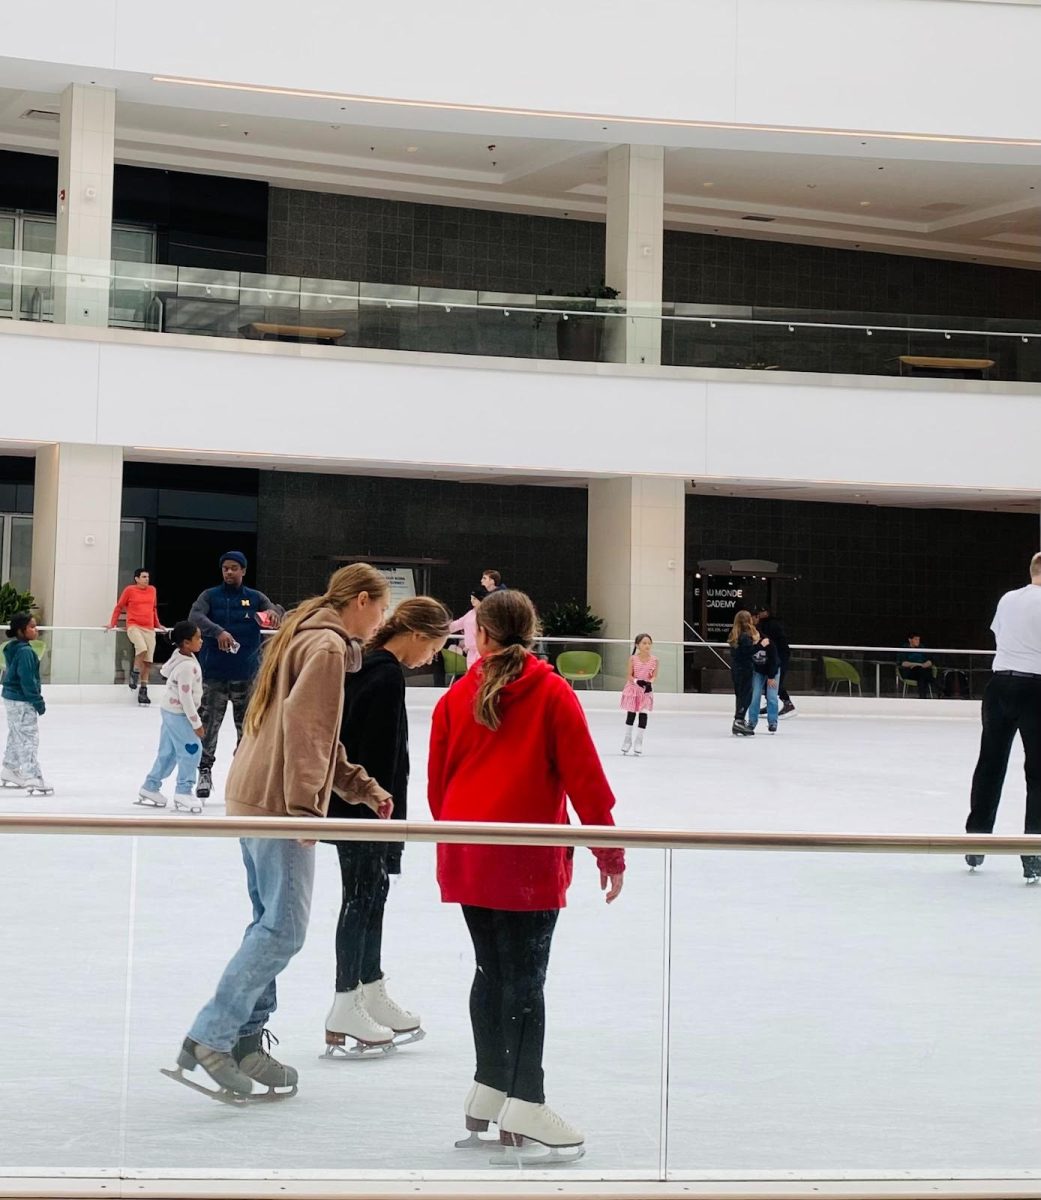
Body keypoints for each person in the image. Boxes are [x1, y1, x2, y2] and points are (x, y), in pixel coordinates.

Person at [168, 564, 394, 1103]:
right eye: (381, 610)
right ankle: (211, 1036)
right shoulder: (329, 646)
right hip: (277, 802)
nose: (380, 622)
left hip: (252, 793)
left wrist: (361, 787)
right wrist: (303, 812)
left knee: (266, 924)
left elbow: (306, 728)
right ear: (361, 601)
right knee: (283, 930)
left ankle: (244, 1042)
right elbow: (309, 730)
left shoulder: (301, 634)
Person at [428, 589, 625, 1157]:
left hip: (471, 854)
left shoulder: (455, 698)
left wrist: (464, 840)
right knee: (525, 981)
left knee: (491, 971)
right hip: (527, 859)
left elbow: (439, 791)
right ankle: (527, 1102)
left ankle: (490, 1089)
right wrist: (609, 854)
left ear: (482, 637)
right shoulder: (551, 693)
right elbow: (586, 780)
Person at [325, 597, 451, 1056]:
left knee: (371, 894)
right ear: (418, 635)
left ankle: (369, 988)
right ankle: (345, 1001)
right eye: (434, 647)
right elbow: (375, 751)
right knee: (361, 897)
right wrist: (381, 808)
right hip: (365, 810)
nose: (432, 658)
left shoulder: (373, 668)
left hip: (367, 807)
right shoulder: (384, 672)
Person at [964, 554, 1041, 883]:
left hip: (999, 686)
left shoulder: (1009, 598)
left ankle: (976, 839)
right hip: (1036, 687)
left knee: (990, 764)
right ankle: (1033, 852)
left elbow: (1000, 635)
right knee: (1038, 774)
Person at [188, 551, 281, 800]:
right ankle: (204, 771)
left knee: (249, 729)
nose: (229, 572)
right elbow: (195, 616)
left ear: (243, 571)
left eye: (234, 568)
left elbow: (275, 611)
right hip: (214, 676)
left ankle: (245, 777)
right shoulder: (210, 596)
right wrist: (217, 631)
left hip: (247, 676)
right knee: (208, 727)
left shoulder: (255, 598)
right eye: (225, 568)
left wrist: (273, 613)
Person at [136, 620, 205, 813]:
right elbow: (186, 698)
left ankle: (151, 786)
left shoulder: (181, 656)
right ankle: (184, 790)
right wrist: (196, 723)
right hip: (179, 714)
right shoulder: (187, 667)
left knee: (169, 751)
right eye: (197, 638)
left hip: (169, 710)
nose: (201, 641)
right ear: (186, 643)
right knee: (192, 750)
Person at [1, 613, 52, 795]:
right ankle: (33, 777)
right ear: (21, 631)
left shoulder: (12, 648)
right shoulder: (26, 652)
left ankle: (10, 768)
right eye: (31, 627)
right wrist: (38, 702)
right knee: (28, 738)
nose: (35, 630)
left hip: (11, 697)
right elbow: (28, 681)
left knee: (16, 733)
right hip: (22, 700)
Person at [107, 568, 163, 706]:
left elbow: (153, 609)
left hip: (149, 628)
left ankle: (143, 689)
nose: (146, 579)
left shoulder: (152, 590)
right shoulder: (129, 590)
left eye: (148, 577)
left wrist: (158, 624)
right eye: (144, 577)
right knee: (141, 648)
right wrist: (112, 623)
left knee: (148, 661)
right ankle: (135, 672)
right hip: (134, 626)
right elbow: (119, 607)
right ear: (136, 578)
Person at [754, 605, 795, 717]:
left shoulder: (770, 625)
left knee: (774, 682)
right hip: (774, 656)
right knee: (769, 682)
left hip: (778, 657)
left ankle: (788, 703)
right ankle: (771, 705)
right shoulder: (766, 625)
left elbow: (771, 643)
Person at [620, 633, 657, 756]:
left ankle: (639, 741)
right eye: (644, 643)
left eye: (649, 643)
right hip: (633, 689)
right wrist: (637, 681)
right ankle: (627, 739)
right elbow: (629, 675)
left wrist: (649, 683)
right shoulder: (633, 659)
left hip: (645, 691)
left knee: (643, 713)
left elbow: (654, 676)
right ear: (638, 645)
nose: (647, 645)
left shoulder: (655, 660)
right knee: (631, 713)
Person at [728, 610, 757, 737]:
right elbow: (748, 652)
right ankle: (739, 719)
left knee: (740, 694)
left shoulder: (735, 635)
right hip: (744, 669)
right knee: (746, 695)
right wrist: (758, 643)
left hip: (736, 668)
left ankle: (739, 719)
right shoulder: (745, 636)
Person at [747, 628, 780, 734]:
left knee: (772, 696)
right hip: (758, 671)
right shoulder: (749, 644)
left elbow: (774, 661)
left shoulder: (768, 643)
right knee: (754, 696)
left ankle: (773, 721)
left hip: (773, 670)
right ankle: (752, 721)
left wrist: (771, 677)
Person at [449, 589, 484, 670]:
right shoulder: (470, 614)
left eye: (474, 598)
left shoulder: (487, 614)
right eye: (471, 598)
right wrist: (440, 629)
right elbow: (457, 624)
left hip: (482, 651)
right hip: (471, 652)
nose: (472, 600)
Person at [899, 633, 938, 699]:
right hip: (910, 672)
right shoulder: (904, 649)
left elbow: (930, 660)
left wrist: (926, 664)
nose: (918, 641)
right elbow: (903, 663)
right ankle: (938, 686)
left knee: (921, 674)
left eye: (919, 639)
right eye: (916, 639)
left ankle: (922, 698)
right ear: (910, 640)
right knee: (922, 672)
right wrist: (918, 665)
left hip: (922, 671)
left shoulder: (922, 647)